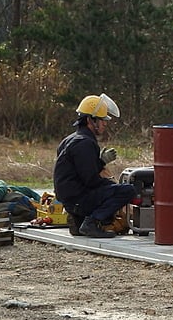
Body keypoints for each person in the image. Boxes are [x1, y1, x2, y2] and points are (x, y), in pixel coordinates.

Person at [53, 93, 135, 238]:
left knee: (108, 190)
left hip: (70, 199)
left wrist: (100, 162)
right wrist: (111, 185)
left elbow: (79, 171)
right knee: (127, 191)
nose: (105, 123)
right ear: (90, 120)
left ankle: (79, 222)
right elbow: (91, 180)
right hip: (78, 200)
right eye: (102, 120)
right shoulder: (84, 143)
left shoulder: (70, 140)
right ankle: (92, 222)